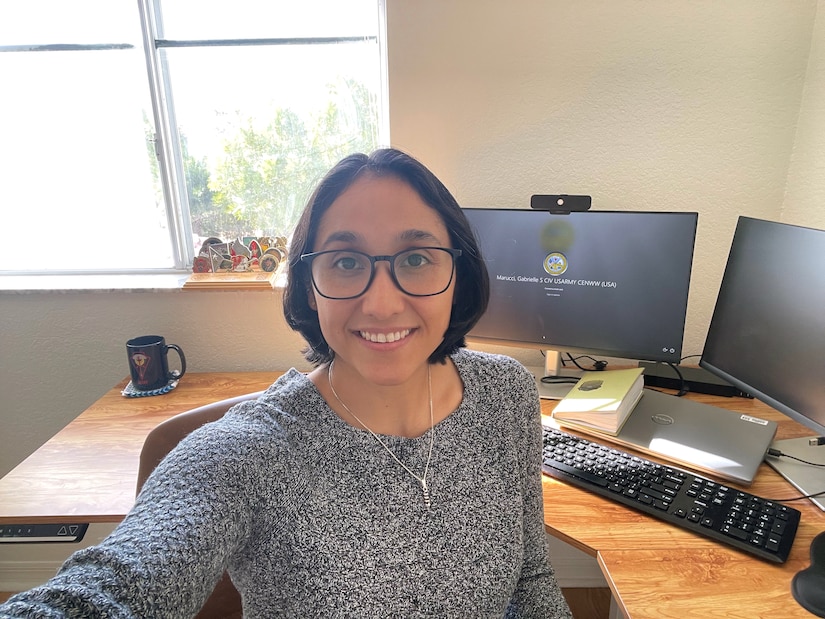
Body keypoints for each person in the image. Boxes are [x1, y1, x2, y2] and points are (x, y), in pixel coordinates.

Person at [0, 148, 573, 618]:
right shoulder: (249, 451)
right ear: (309, 285)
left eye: (417, 258)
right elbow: (115, 586)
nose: (380, 303)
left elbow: (532, 577)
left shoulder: (506, 393)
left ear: (460, 274)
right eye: (346, 262)